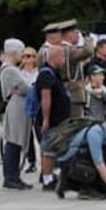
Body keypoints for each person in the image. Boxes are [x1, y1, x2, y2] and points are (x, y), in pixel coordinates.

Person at [55, 110, 106, 199]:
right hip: (71, 162)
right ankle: (72, 183)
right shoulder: (95, 132)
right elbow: (98, 163)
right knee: (103, 184)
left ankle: (83, 186)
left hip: (83, 161)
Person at [34, 44, 72, 191]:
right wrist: (45, 119)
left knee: (52, 150)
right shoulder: (46, 74)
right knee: (49, 151)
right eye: (62, 56)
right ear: (55, 57)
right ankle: (47, 179)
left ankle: (50, 177)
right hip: (52, 120)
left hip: (59, 119)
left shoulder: (54, 73)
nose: (64, 59)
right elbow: (45, 97)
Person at [41, 20, 94, 119]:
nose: (78, 36)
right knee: (74, 126)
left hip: (63, 91)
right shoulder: (69, 50)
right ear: (70, 34)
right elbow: (88, 51)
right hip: (73, 93)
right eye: (76, 33)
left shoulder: (58, 49)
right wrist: (87, 37)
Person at [1, 39, 34, 190]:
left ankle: (14, 176)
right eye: (21, 52)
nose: (22, 55)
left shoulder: (10, 69)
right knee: (13, 142)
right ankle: (11, 177)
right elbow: (25, 88)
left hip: (19, 105)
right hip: (16, 107)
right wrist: (26, 88)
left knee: (15, 142)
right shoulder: (10, 70)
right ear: (14, 52)